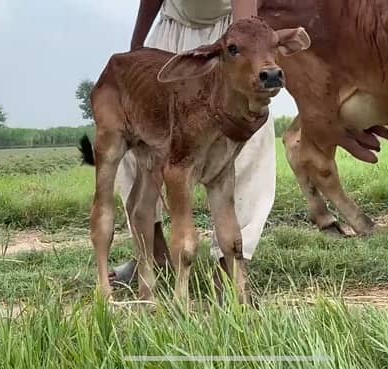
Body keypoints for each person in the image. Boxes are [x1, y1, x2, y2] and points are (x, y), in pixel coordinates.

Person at [108, 0, 274, 283]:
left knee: (248, 145)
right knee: (136, 132)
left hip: (229, 37)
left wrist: (245, 50)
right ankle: (151, 253)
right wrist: (136, 48)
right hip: (171, 35)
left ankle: (232, 267)